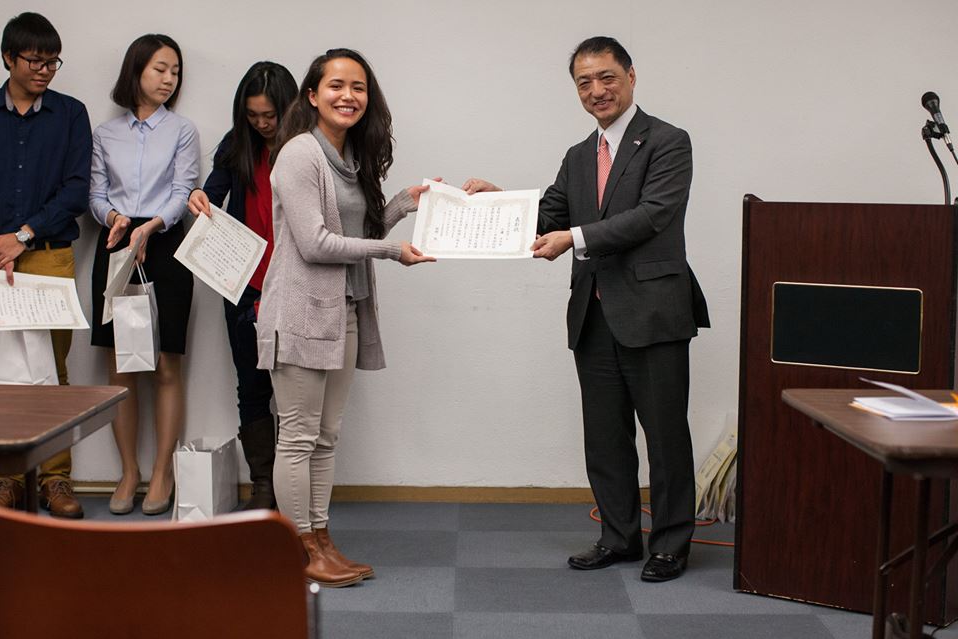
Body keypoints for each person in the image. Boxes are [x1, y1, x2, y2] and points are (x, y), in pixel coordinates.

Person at [463, 36, 709, 582]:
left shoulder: (669, 141)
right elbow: (547, 214)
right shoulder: (578, 156)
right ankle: (619, 537)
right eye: (584, 82)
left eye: (606, 77)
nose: (596, 90)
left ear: (630, 76)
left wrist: (572, 237)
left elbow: (651, 216)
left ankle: (670, 543)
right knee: (604, 437)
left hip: (654, 311)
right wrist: (496, 204)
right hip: (594, 314)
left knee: (665, 435)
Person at [258, 48, 435, 586]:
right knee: (297, 436)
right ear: (312, 95)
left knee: (326, 437)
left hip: (345, 314)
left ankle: (320, 538)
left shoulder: (351, 158)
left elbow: (359, 225)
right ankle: (299, 547)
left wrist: (413, 200)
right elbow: (315, 243)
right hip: (300, 312)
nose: (348, 95)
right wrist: (392, 252)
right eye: (336, 85)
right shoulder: (298, 154)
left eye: (358, 87)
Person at [88, 34, 199, 516]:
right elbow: (95, 193)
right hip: (116, 244)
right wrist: (112, 219)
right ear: (136, 70)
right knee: (121, 366)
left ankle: (163, 472)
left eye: (175, 70)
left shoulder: (183, 130)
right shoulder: (104, 134)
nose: (169, 78)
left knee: (166, 362)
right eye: (160, 68)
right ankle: (129, 470)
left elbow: (184, 189)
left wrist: (154, 225)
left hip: (167, 243)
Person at [187, 61, 297, 510]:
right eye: (253, 116)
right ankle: (263, 487)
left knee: (295, 393)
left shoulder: (305, 148)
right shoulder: (237, 146)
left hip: (295, 283)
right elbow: (211, 195)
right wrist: (199, 199)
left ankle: (294, 489)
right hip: (246, 287)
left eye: (269, 115)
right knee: (251, 387)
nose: (262, 124)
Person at [0, 12, 91, 518]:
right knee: (3, 372)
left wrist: (23, 234)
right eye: (35, 60)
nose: (45, 70)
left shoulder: (71, 114)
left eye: (52, 61)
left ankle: (56, 481)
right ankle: (8, 478)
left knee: (51, 371)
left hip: (49, 254)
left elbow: (77, 188)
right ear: (9, 57)